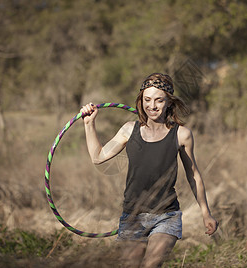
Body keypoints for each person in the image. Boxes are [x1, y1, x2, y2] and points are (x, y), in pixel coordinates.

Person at [80, 72, 218, 268]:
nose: (152, 106)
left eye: (159, 100)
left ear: (169, 102)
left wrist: (206, 213)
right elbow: (98, 157)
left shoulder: (182, 135)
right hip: (133, 215)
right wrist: (89, 124)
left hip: (166, 215)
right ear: (141, 100)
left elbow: (193, 174)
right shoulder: (129, 129)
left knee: (151, 265)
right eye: (147, 99)